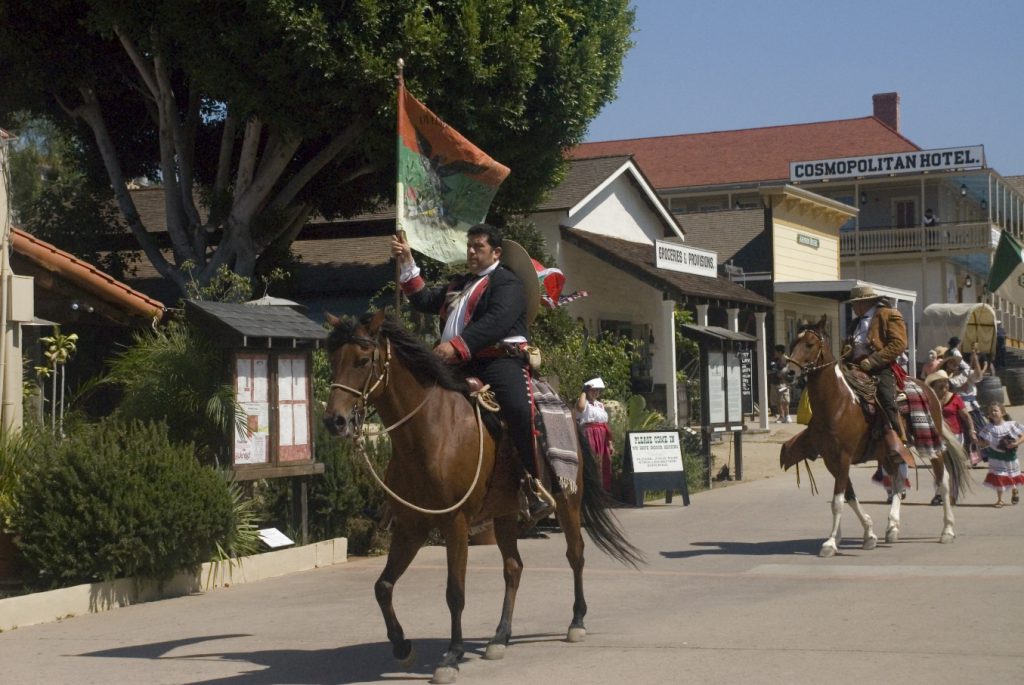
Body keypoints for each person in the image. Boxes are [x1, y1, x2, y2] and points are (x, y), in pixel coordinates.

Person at [391, 223, 555, 522]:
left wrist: (456, 345)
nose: (471, 252)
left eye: (478, 247)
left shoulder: (508, 283)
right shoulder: (459, 284)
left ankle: (534, 484)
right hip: (458, 362)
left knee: (519, 409)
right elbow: (425, 300)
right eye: (469, 246)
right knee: (415, 401)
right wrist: (406, 260)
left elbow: (497, 321)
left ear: (496, 252)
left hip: (499, 361)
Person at [845, 285, 908, 461]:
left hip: (880, 367)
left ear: (864, 303)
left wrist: (872, 361)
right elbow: (849, 345)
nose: (853, 307)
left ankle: (897, 438)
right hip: (853, 367)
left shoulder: (889, 314)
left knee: (886, 398)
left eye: (854, 304)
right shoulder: (855, 323)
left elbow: (898, 344)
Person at [926, 369, 975, 505]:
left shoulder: (955, 398)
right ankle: (939, 493)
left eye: (946, 382)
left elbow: (966, 416)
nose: (944, 385)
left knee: (952, 466)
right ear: (934, 385)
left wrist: (972, 430)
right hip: (936, 436)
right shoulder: (930, 399)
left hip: (955, 436)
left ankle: (953, 493)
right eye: (940, 383)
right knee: (939, 466)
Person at [976, 403, 1024, 507]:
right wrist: (977, 441)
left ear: (1003, 413)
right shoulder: (988, 427)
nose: (993, 413)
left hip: (1010, 456)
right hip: (995, 456)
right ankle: (1000, 500)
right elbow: (985, 443)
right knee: (998, 477)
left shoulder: (1010, 425)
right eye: (991, 411)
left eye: (995, 410)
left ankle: (1014, 490)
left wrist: (1016, 443)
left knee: (1012, 475)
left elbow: (1022, 436)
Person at [576, 377, 613, 491]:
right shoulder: (584, 403)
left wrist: (610, 443)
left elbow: (605, 424)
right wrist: (583, 391)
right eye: (593, 390)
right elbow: (580, 408)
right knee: (592, 462)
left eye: (597, 390)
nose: (595, 392)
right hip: (589, 435)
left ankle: (602, 489)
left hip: (602, 437)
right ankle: (592, 489)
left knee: (602, 463)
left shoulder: (599, 405)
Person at [769, 344, 791, 423]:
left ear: (780, 352)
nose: (774, 353)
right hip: (774, 383)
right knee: (777, 401)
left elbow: (789, 369)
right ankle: (781, 416)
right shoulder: (774, 360)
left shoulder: (787, 359)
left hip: (783, 383)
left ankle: (787, 416)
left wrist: (783, 371)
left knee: (784, 400)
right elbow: (771, 369)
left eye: (776, 351)